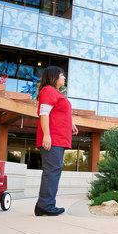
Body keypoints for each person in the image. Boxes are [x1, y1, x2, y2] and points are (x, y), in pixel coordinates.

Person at [34, 66, 78, 216]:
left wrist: (70, 123)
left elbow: (56, 112)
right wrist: (47, 135)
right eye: (62, 75)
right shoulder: (48, 90)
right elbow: (44, 113)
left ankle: (45, 205)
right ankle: (45, 206)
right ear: (54, 77)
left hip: (58, 139)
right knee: (52, 171)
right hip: (52, 139)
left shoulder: (55, 93)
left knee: (53, 171)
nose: (64, 78)